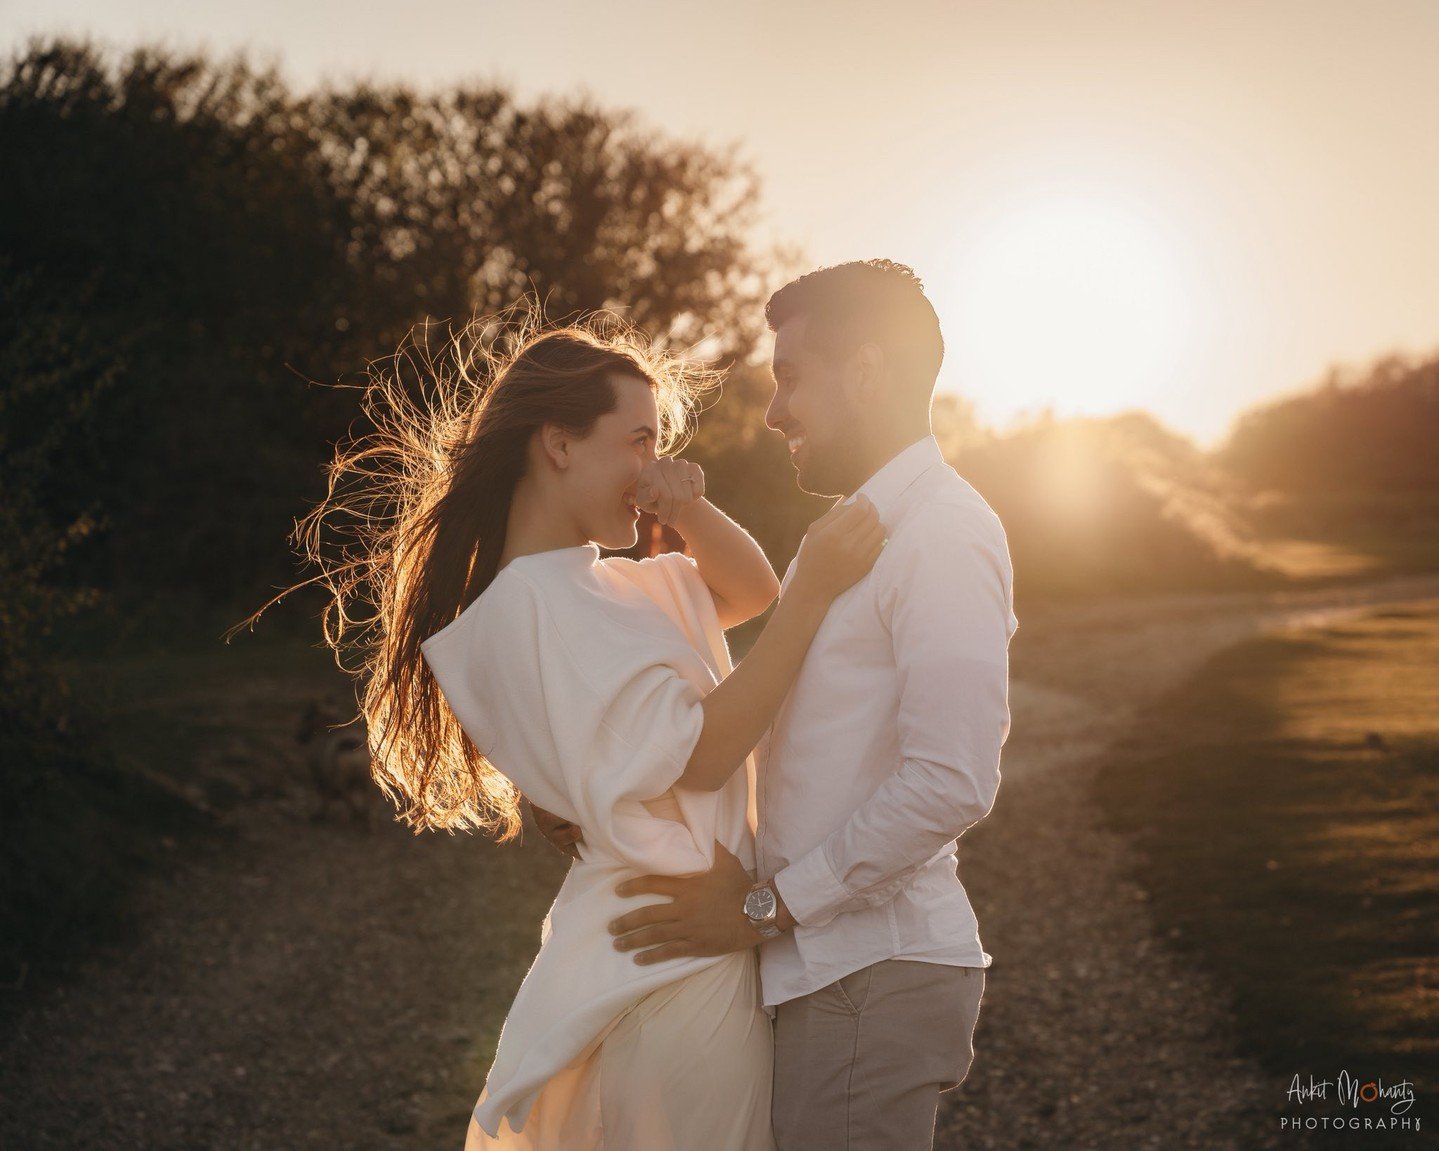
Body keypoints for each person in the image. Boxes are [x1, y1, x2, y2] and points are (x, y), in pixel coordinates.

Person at [316, 312, 885, 1149]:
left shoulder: (594, 587)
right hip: (670, 962)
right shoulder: (534, 606)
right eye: (637, 441)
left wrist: (691, 509)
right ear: (558, 443)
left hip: (676, 944)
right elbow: (704, 753)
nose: (651, 465)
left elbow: (748, 590)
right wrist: (817, 592)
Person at [536, 260, 1019, 1150]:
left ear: (865, 371)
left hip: (870, 972)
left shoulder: (942, 533)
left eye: (790, 377)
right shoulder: (849, 535)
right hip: (830, 971)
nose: (774, 412)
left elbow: (951, 780)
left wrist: (764, 906)